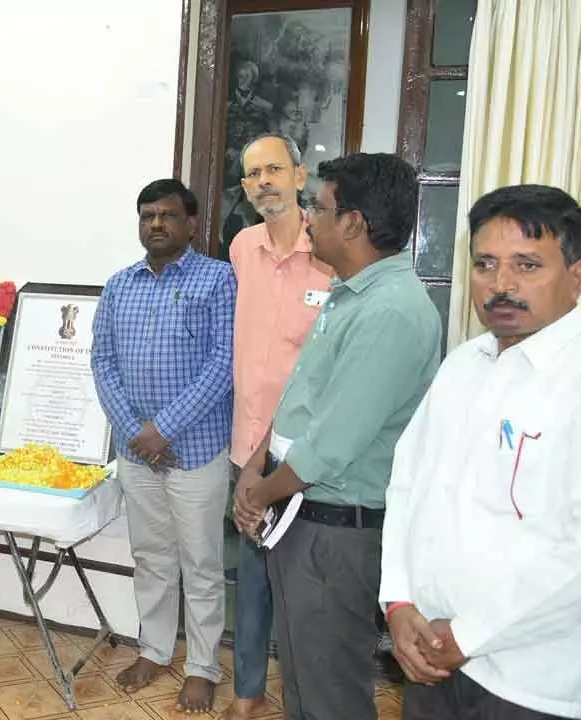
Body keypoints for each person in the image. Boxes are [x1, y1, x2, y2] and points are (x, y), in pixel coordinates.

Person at [380, 185, 581, 720]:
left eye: (528, 265)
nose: (501, 285)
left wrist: (467, 635)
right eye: (485, 264)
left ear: (578, 278)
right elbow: (408, 484)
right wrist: (399, 602)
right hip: (432, 656)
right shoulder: (464, 364)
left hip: (536, 683)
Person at [231, 153, 441, 720]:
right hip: (300, 516)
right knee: (304, 687)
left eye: (318, 210)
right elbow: (299, 399)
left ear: (354, 223)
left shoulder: (392, 312)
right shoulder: (349, 294)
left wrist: (260, 493)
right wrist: (254, 468)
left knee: (331, 700)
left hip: (335, 532)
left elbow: (333, 441)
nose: (308, 222)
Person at [92, 178, 236, 713]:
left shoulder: (219, 280)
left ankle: (202, 666)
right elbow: (102, 362)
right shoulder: (119, 284)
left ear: (192, 223)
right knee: (151, 557)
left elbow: (224, 364)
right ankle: (153, 649)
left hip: (195, 450)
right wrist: (136, 432)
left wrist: (164, 429)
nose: (156, 223)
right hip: (135, 452)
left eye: (168, 215)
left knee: (200, 563)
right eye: (148, 214)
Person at [222, 134, 332, 720]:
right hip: (247, 443)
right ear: (245, 188)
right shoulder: (242, 247)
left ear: (299, 175)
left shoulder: (331, 252)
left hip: (306, 452)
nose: (264, 181)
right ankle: (246, 692)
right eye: (253, 174)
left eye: (274, 170)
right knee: (254, 575)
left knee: (302, 584)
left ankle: (303, 698)